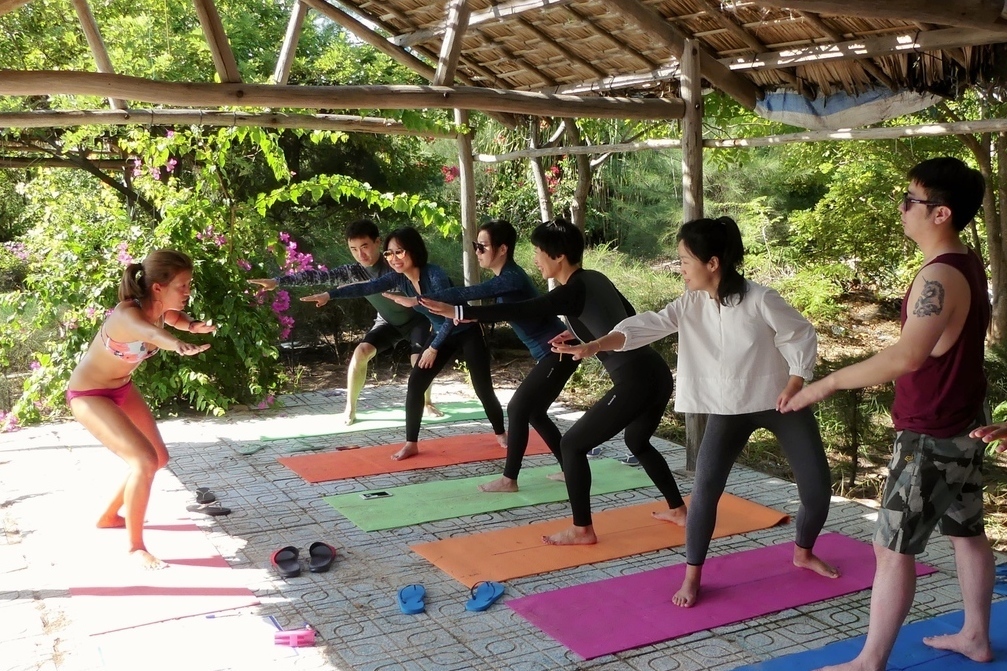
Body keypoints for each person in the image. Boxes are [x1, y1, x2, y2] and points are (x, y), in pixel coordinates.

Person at [553, 216, 837, 607]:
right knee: (704, 492)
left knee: (817, 490)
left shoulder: (761, 299)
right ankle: (692, 577)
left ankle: (803, 551)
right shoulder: (690, 304)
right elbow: (646, 326)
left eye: (685, 260)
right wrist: (597, 344)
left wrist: (795, 381)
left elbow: (799, 334)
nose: (680, 268)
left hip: (779, 403)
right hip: (728, 409)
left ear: (713, 263)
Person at [783, 157, 993, 670]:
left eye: (910, 200)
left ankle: (869, 661)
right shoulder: (965, 262)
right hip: (963, 426)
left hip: (933, 433)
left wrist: (825, 384)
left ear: (940, 213)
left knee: (892, 548)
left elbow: (906, 356)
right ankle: (975, 637)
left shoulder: (940, 275)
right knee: (966, 533)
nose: (901, 208)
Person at [422, 217, 686, 544]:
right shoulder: (594, 279)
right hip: (654, 372)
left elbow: (524, 309)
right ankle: (678, 509)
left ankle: (582, 529)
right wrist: (579, 336)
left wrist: (460, 313)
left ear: (558, 256)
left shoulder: (572, 289)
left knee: (572, 445)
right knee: (637, 441)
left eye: (538, 252)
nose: (535, 258)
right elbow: (629, 319)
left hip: (636, 380)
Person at [301, 226, 506, 460]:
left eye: (399, 252)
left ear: (414, 251)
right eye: (389, 254)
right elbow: (366, 287)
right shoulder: (400, 277)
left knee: (483, 389)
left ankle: (501, 434)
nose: (393, 259)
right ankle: (411, 443)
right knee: (416, 383)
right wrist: (329, 295)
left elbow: (453, 317)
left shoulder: (434, 275)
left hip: (466, 330)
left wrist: (433, 347)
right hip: (442, 332)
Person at [67, 250, 215, 570]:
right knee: (144, 460)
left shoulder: (162, 310)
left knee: (158, 459)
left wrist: (194, 326)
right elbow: (151, 334)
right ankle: (136, 547)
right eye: (182, 285)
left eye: (189, 284)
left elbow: (175, 321)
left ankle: (109, 516)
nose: (188, 291)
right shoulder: (127, 315)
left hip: (120, 388)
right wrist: (176, 344)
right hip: (89, 395)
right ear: (158, 288)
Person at [420, 219, 579, 492]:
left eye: (482, 246)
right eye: (476, 246)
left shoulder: (512, 277)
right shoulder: (504, 279)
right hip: (551, 353)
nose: (477, 252)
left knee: (518, 408)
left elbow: (469, 293)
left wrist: (420, 299)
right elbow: (493, 309)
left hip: (558, 351)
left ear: (502, 249)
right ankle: (569, 469)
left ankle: (509, 480)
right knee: (536, 413)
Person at [248, 219, 440, 424]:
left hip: (416, 320)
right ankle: (350, 408)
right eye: (354, 249)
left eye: (365, 247)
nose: (360, 255)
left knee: (417, 361)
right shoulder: (354, 272)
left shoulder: (395, 264)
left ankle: (427, 402)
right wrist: (277, 281)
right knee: (361, 353)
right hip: (388, 322)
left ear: (378, 242)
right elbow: (317, 277)